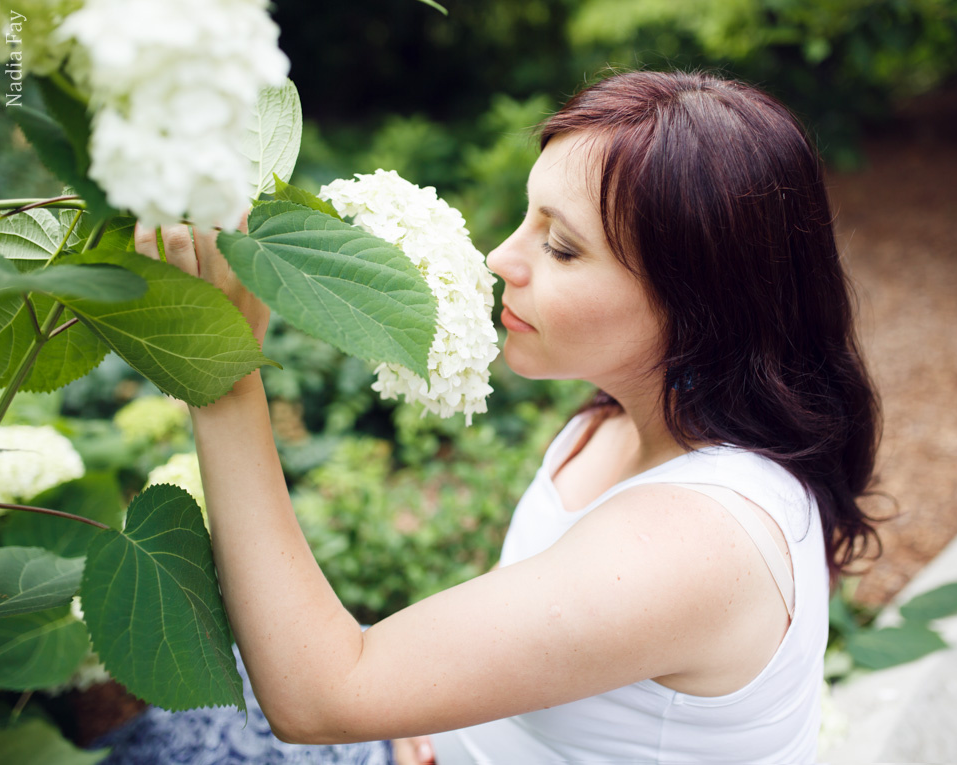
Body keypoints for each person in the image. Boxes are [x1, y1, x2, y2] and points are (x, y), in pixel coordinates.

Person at [133, 69, 880, 764]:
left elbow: (319, 695)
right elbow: (539, 632)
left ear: (699, 300)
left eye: (560, 246)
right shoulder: (615, 423)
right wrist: (440, 706)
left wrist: (221, 370)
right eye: (529, 220)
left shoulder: (696, 541)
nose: (499, 258)